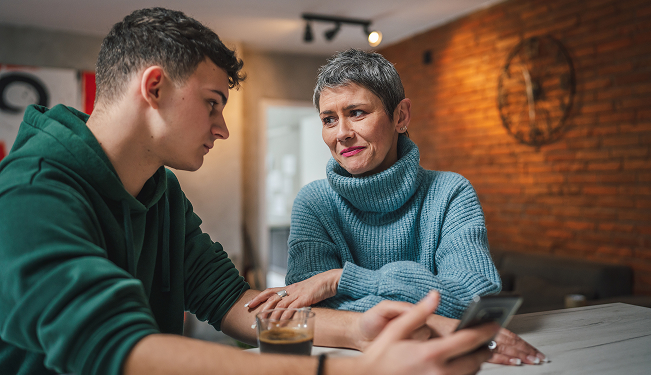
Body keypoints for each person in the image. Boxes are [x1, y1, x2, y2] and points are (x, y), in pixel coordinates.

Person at [0, 8, 505, 375]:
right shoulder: (33, 189)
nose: (221, 128)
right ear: (153, 88)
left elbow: (237, 302)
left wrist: (359, 329)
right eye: (213, 103)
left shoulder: (160, 191)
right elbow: (118, 348)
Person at [246, 49, 548, 366]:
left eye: (357, 113)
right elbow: (309, 315)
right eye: (329, 120)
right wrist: (434, 317)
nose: (342, 133)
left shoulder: (450, 193)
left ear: (400, 116)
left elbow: (473, 304)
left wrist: (339, 281)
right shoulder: (314, 202)